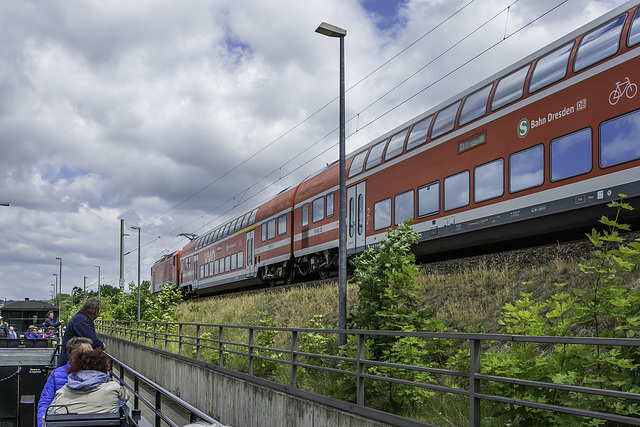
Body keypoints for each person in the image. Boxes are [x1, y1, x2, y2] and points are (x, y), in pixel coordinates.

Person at [48, 349, 130, 416]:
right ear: (103, 368)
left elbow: (49, 416)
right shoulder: (113, 389)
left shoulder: (62, 393)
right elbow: (124, 398)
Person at [37, 337, 93, 427]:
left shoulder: (100, 375)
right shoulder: (56, 375)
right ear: (74, 356)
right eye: (88, 353)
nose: (93, 356)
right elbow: (45, 403)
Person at [57, 298, 105, 367]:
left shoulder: (79, 318)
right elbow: (94, 343)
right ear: (96, 311)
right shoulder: (82, 321)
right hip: (68, 365)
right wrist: (102, 345)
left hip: (69, 363)